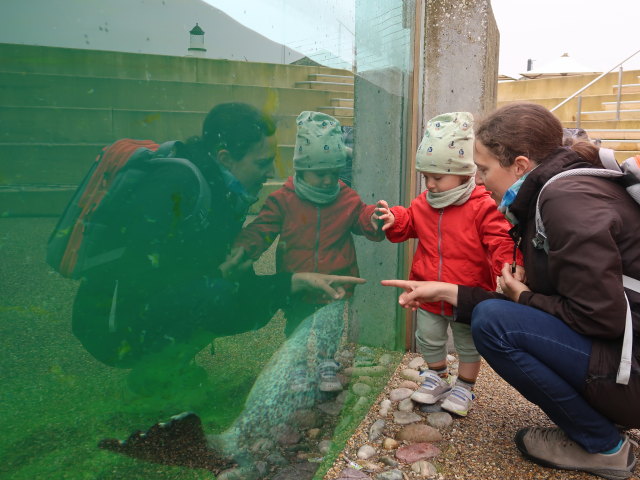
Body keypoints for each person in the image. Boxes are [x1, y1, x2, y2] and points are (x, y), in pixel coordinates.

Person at [73, 102, 365, 472]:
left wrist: (270, 277)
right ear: (226, 157)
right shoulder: (175, 190)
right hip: (113, 325)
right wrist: (261, 280)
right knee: (226, 298)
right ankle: (152, 374)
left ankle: (166, 364)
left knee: (234, 297)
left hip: (147, 304)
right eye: (262, 163)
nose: (271, 172)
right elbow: (160, 283)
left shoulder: (215, 184)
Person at [382, 102, 640, 479]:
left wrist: (522, 296)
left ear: (519, 165)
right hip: (627, 358)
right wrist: (449, 290)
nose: (480, 180)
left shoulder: (565, 201)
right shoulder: (563, 186)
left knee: (492, 323)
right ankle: (601, 422)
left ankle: (603, 445)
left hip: (630, 372)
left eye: (484, 169)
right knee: (494, 315)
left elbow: (600, 315)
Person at [375, 111, 522, 417]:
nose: (430, 184)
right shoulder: (423, 202)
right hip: (427, 291)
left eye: (437, 177)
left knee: (468, 343)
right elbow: (408, 224)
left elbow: (499, 241)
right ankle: (436, 377)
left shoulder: (482, 206)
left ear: (465, 172)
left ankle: (465, 387)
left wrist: (509, 266)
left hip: (466, 294)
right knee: (428, 336)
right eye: (426, 177)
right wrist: (394, 219)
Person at [233, 111, 384, 393]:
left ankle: (327, 362)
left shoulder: (346, 198)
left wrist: (374, 219)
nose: (328, 181)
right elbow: (262, 228)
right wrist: (244, 248)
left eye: (334, 173)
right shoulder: (283, 200)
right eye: (320, 174)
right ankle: (299, 365)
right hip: (296, 277)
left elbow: (362, 219)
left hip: (337, 279)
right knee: (296, 323)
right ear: (300, 169)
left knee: (330, 326)